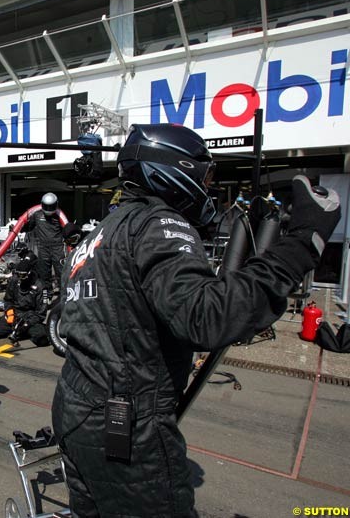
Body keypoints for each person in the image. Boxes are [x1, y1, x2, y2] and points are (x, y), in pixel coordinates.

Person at [52, 123, 341, 517]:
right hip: (127, 427)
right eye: (205, 175)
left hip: (75, 412)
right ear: (175, 170)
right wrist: (304, 241)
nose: (208, 186)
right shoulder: (158, 225)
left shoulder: (97, 236)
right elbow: (208, 319)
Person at [0, 258, 47, 346]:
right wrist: (9, 312)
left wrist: (26, 324)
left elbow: (40, 314)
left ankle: (22, 332)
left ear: (29, 273)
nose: (20, 278)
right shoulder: (14, 280)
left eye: (22, 275)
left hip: (29, 317)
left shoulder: (40, 286)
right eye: (18, 274)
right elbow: (8, 299)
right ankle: (15, 331)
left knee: (41, 339)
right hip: (15, 314)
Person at [22, 192, 64, 303]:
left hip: (57, 247)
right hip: (43, 248)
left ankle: (64, 296)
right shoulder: (37, 215)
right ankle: (47, 296)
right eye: (47, 206)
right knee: (44, 273)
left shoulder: (60, 215)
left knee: (61, 272)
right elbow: (29, 227)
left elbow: (66, 229)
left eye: (51, 206)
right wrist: (19, 227)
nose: (49, 209)